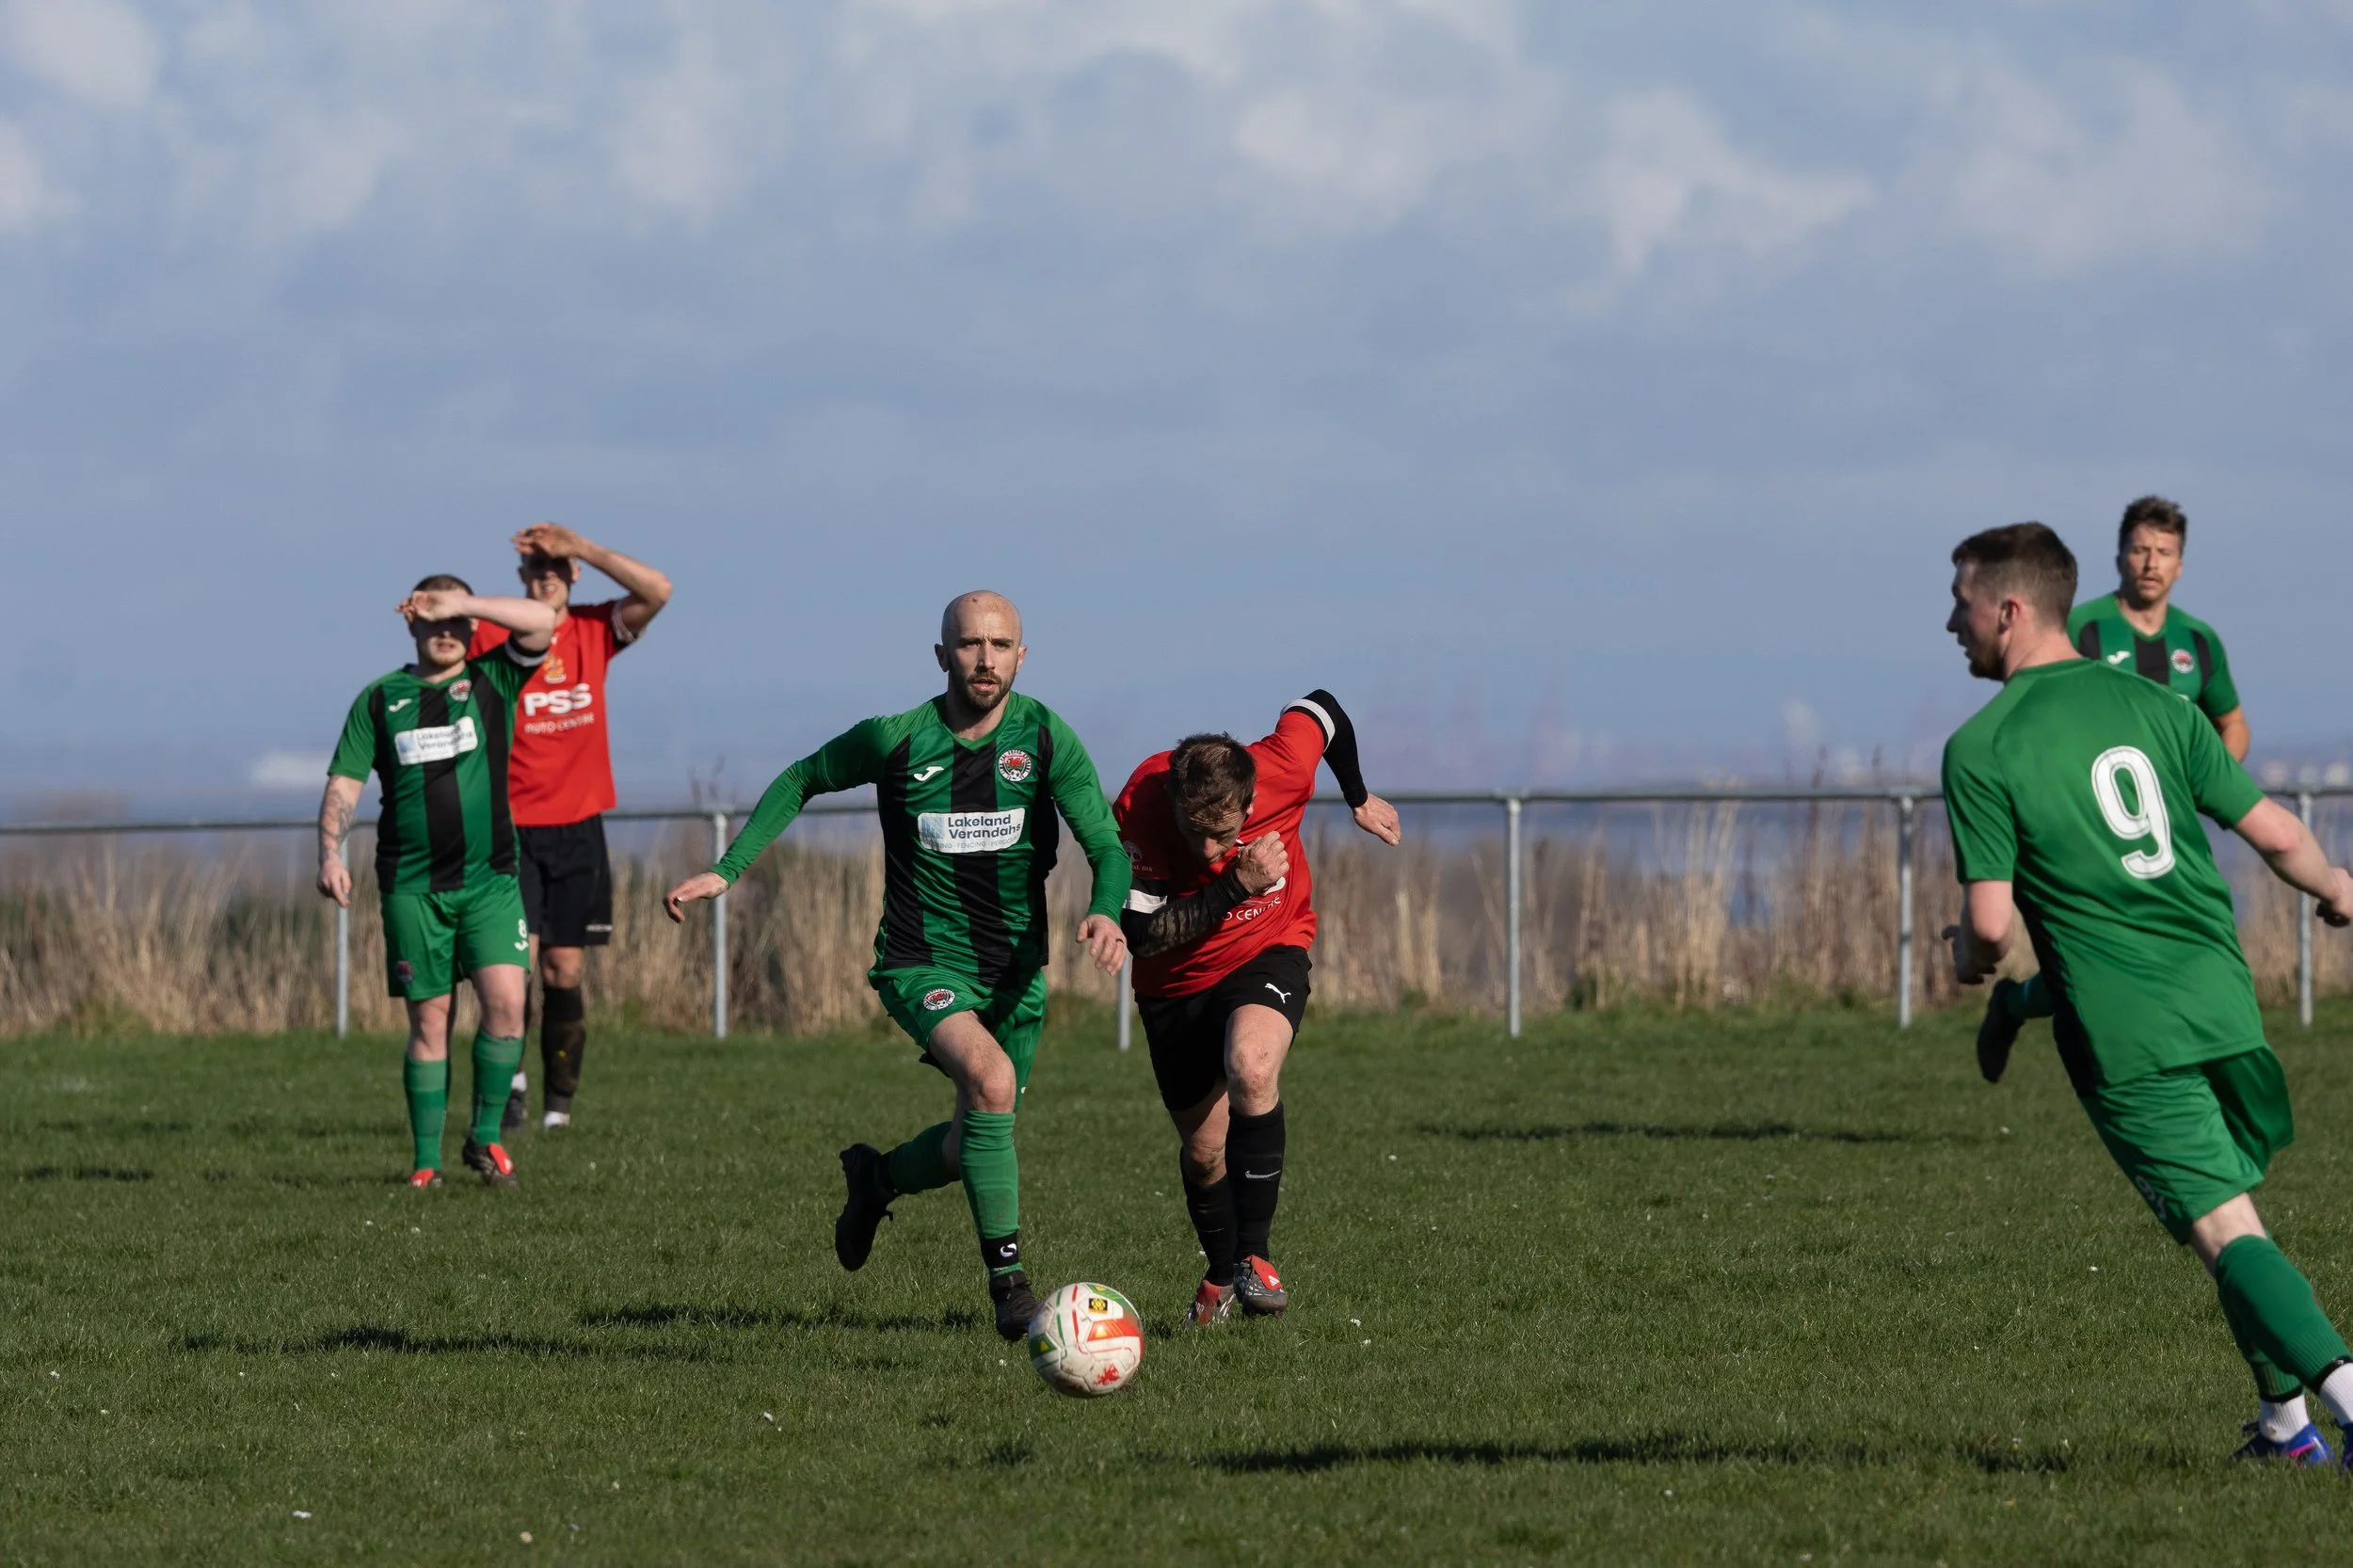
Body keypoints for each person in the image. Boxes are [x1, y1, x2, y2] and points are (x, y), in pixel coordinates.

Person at [1940, 522, 2353, 1465]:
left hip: (2129, 1035)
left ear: (2008, 610)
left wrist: (1966, 957)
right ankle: (2285, 1429)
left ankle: (2342, 1393)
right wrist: (2337, 890)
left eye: (1958, 602)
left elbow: (1993, 927)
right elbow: (2276, 834)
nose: (1949, 622)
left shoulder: (1981, 747)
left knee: (2222, 1229)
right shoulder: (2158, 707)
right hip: (2221, 999)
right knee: (2237, 1216)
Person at [664, 592, 1130, 1340]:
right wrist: (728, 870)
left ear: (1022, 654)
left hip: (1015, 972)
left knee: (973, 1135)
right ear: (942, 655)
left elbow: (1106, 845)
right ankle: (1011, 1288)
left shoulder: (1044, 737)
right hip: (921, 959)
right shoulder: (896, 740)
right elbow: (802, 777)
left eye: (1001, 644)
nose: (986, 658)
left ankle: (875, 1179)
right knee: (991, 1081)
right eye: (971, 644)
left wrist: (1106, 908)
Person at [1112, 694, 1401, 1324]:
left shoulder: (1282, 768)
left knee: (1253, 1065)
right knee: (1204, 1154)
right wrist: (1233, 884)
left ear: (1250, 802)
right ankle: (1219, 1277)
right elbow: (1146, 936)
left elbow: (1321, 708)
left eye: (1226, 833)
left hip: (1270, 949)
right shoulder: (1142, 800)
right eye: (1198, 834)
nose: (1212, 847)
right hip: (1174, 984)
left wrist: (1355, 795)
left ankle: (1256, 1258)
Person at [1980, 497, 2251, 1069]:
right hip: (2085, 820)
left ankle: (2019, 1003)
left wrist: (2211, 786)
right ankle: (2043, 1017)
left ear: (2181, 564)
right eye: (2140, 549)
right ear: (2119, 556)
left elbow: (2231, 724)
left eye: (2165, 552)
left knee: (2175, 940)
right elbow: (2029, 709)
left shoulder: (2198, 642)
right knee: (2091, 958)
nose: (2151, 562)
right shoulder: (2083, 627)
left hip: (2161, 824)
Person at [317, 577, 557, 1188]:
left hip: (492, 882)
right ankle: (426, 1161)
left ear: (473, 627)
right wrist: (329, 852)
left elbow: (541, 621)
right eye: (433, 618)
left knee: (507, 1004)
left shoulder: (493, 679)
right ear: (411, 623)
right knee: (431, 1021)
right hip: (412, 887)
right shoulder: (380, 699)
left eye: (456, 621)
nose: (445, 631)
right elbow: (344, 785)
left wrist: (465, 604)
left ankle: (485, 1138)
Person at [467, 522, 673, 1133]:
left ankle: (559, 1105)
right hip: (509, 830)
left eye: (558, 566)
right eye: (536, 567)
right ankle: (513, 1086)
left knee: (565, 970)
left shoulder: (593, 630)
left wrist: (581, 545)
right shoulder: (492, 633)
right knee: (514, 969)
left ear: (574, 573)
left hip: (579, 828)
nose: (547, 574)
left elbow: (659, 589)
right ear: (521, 577)